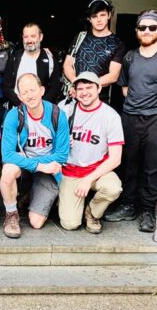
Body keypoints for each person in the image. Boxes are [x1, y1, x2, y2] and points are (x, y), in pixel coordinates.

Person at [105, 10, 157, 233]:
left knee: (153, 166)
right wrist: (137, 104)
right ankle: (128, 205)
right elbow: (124, 86)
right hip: (130, 117)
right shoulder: (130, 57)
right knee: (128, 164)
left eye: (152, 27)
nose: (147, 31)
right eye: (143, 27)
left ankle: (148, 210)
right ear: (137, 30)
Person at [0, 73, 69, 238]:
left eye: (33, 90)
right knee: (8, 170)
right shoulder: (14, 115)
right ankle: (11, 214)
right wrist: (38, 165)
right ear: (19, 96)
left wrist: (36, 164)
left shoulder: (57, 114)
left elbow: (61, 155)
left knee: (36, 223)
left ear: (42, 90)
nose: (30, 95)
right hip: (31, 166)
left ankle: (31, 195)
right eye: (25, 92)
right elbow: (7, 155)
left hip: (48, 169)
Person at [58, 72, 124, 234]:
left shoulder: (110, 116)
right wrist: (61, 140)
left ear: (99, 88)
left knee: (113, 188)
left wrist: (88, 179)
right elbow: (45, 139)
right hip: (69, 171)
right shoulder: (64, 109)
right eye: (80, 88)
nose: (84, 92)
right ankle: (62, 200)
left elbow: (115, 159)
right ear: (74, 91)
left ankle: (93, 213)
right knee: (70, 224)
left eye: (89, 87)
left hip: (96, 170)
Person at [63, 0, 125, 102]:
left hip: (100, 99)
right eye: (94, 16)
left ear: (109, 15)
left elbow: (113, 75)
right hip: (76, 97)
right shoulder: (80, 37)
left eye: (102, 15)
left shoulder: (117, 43)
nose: (99, 20)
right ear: (89, 19)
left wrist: (88, 88)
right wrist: (76, 83)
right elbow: (67, 64)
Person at [3, 23, 61, 107]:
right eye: (26, 37)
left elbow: (55, 87)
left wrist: (39, 105)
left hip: (41, 110)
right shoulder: (15, 57)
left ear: (41, 37)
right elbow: (6, 86)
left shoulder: (49, 59)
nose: (29, 40)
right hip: (16, 107)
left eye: (33, 36)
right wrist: (21, 104)